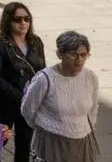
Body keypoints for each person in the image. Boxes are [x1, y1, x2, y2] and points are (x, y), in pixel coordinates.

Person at [20, 30, 100, 162]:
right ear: (60, 54)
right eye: (73, 54)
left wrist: (83, 128)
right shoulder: (45, 79)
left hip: (82, 141)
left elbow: (93, 109)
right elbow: (27, 109)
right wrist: (45, 128)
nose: (79, 60)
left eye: (83, 55)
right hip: (51, 142)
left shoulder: (90, 77)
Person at [0, 2, 45, 162]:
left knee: (25, 146)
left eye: (27, 19)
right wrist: (18, 95)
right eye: (18, 19)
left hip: (29, 104)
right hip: (6, 103)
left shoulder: (36, 42)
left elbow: (42, 72)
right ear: (8, 21)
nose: (23, 23)